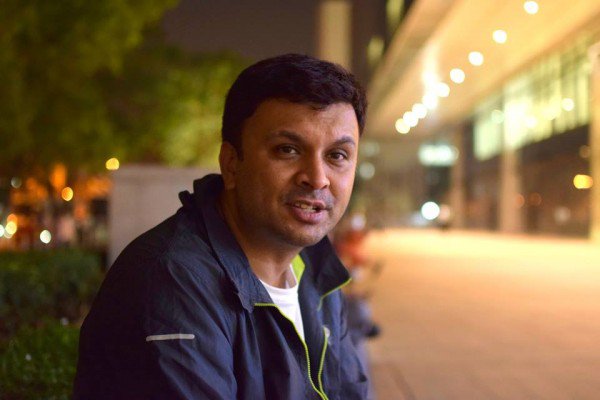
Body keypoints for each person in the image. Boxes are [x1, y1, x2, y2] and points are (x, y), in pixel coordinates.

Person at [73, 53, 369, 400]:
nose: (317, 178)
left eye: (337, 156)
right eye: (287, 150)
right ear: (231, 164)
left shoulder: (315, 269)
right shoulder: (171, 281)